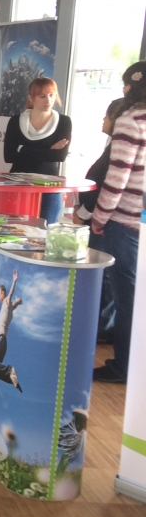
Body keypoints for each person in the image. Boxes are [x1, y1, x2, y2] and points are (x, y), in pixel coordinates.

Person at [90, 61, 146, 384]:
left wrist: (99, 218)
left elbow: (117, 179)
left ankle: (124, 367)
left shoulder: (130, 120)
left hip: (125, 224)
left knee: (128, 301)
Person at [74, 98, 124, 343]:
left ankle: (103, 328)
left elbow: (105, 186)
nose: (103, 120)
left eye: (106, 115)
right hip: (97, 219)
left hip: (102, 221)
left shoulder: (118, 149)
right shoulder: (112, 145)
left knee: (104, 275)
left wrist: (85, 213)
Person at [3, 77, 72, 224]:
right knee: (17, 228)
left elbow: (59, 156)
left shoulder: (64, 122)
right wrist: (48, 150)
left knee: (47, 228)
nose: (48, 100)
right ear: (31, 98)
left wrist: (23, 148)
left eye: (52, 95)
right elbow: (9, 156)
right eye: (42, 96)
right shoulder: (16, 121)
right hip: (19, 182)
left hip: (50, 183)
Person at [0, 271, 24, 393]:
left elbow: (11, 294)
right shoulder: (9, 306)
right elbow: (13, 306)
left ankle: (10, 370)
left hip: (1, 339)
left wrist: (14, 281)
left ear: (3, 293)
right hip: (3, 342)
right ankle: (12, 380)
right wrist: (17, 303)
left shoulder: (6, 301)